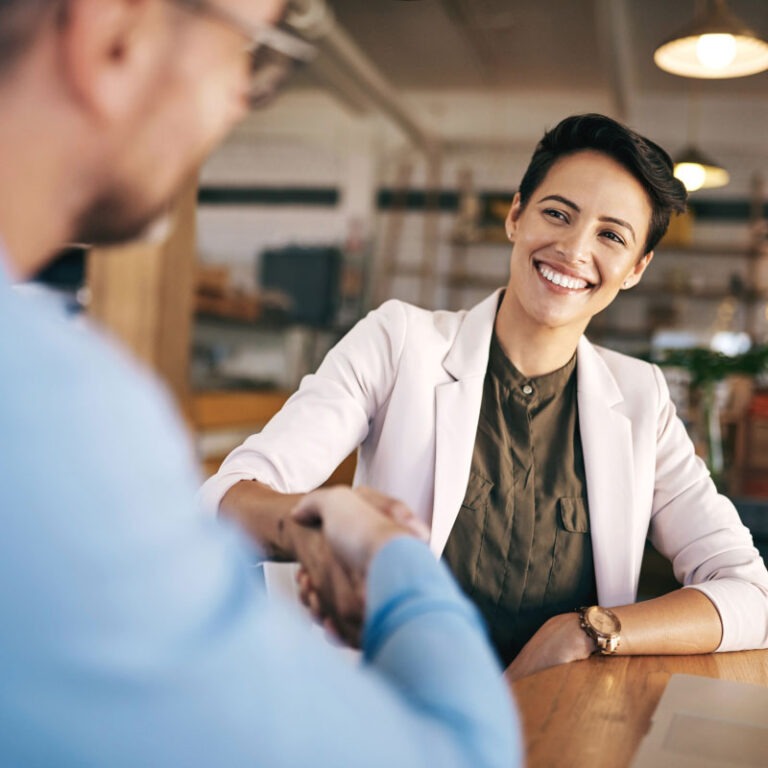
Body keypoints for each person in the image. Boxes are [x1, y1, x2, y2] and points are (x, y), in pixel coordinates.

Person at [0, 1, 521, 765]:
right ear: (111, 33)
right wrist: (393, 556)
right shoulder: (48, 418)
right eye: (253, 55)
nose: (241, 100)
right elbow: (463, 753)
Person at [201, 113, 768, 677]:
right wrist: (305, 528)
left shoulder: (641, 400)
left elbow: (751, 592)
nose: (574, 249)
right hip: (396, 707)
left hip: (563, 728)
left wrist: (589, 631)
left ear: (636, 268)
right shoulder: (399, 341)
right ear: (517, 216)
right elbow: (226, 496)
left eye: (611, 235)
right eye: (557, 214)